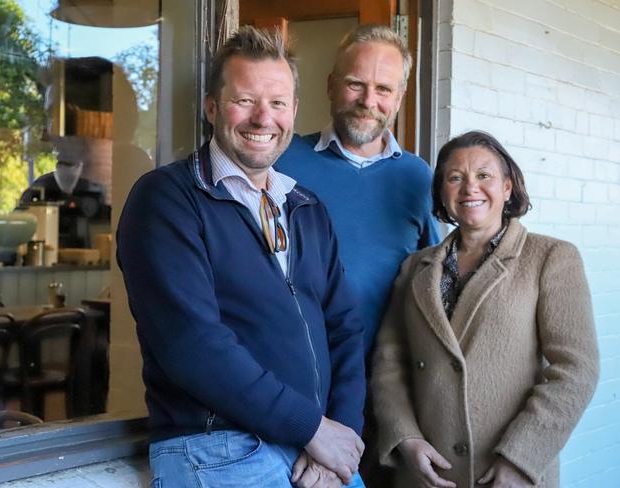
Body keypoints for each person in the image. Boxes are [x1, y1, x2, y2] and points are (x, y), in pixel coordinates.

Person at [117, 26, 366, 488]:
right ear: (212, 107)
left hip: (315, 446)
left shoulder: (305, 207)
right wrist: (312, 428)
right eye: (244, 100)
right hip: (218, 447)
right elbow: (192, 345)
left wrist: (340, 435)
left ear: (293, 111)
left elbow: (345, 328)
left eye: (276, 103)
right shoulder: (168, 199)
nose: (261, 118)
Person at [372, 131, 599, 488]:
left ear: (507, 188)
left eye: (484, 176)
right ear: (442, 192)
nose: (469, 188)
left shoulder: (551, 258)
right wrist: (405, 437)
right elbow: (389, 360)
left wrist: (522, 458)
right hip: (428, 472)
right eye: (455, 177)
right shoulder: (414, 267)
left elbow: (576, 369)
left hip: (507, 473)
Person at [276, 24, 441, 487]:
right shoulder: (284, 163)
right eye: (355, 83)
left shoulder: (419, 178)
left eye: (384, 88)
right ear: (330, 84)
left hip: (391, 393)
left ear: (400, 96)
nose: (369, 99)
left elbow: (437, 284)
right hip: (301, 390)